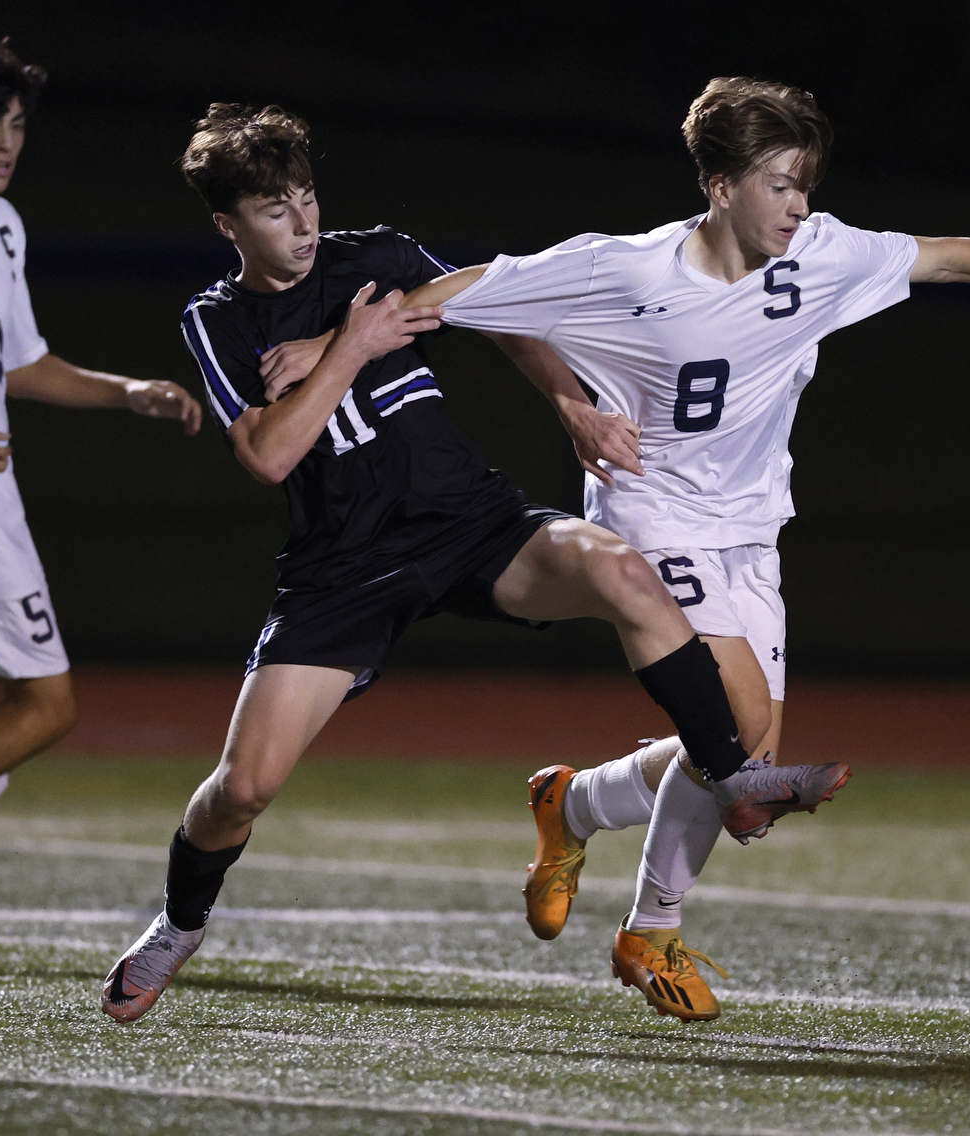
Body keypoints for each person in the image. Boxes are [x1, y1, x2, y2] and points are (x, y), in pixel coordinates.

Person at [391, 76, 970, 1020]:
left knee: (739, 753)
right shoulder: (626, 272)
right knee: (734, 740)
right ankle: (650, 934)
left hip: (752, 530)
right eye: (780, 183)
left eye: (805, 182)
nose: (800, 203)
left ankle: (571, 806)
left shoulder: (817, 256)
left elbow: (940, 258)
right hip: (651, 516)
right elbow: (469, 295)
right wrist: (341, 354)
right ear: (719, 185)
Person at [99, 103, 849, 1024]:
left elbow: (507, 308)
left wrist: (571, 405)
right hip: (344, 569)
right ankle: (179, 922)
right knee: (243, 788)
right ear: (228, 226)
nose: (301, 225)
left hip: (471, 523)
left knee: (625, 575)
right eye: (273, 211)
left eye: (305, 199)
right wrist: (353, 347)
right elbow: (268, 454)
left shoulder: (375, 257)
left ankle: (732, 774)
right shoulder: (216, 320)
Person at [0, 37, 202, 840]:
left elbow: (20, 364)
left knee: (29, 703)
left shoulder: (2, 228)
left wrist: (128, 393)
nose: (6, 144)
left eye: (18, 124)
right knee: (46, 702)